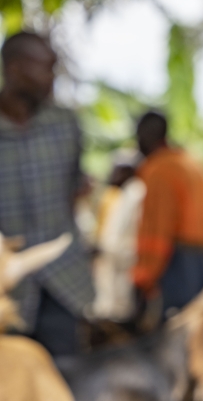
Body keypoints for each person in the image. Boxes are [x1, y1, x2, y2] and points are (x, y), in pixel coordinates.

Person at [0, 31, 93, 357]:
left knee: (63, 379)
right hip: (8, 292)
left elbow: (73, 190)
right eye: (45, 68)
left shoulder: (65, 125)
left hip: (62, 281)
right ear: (15, 70)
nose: (51, 78)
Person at [132, 111, 203, 319]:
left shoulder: (159, 168)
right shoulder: (191, 161)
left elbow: (157, 230)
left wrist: (143, 278)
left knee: (179, 328)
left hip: (180, 259)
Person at [92, 150, 145, 322]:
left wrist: (109, 249)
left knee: (122, 310)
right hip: (112, 261)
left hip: (124, 263)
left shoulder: (137, 193)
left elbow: (131, 235)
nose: (113, 174)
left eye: (117, 169)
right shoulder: (121, 194)